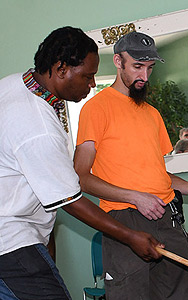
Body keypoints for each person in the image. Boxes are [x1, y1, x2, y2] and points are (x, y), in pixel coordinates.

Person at [0, 27, 163, 300]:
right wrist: (131, 236)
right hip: (10, 241)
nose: (91, 84)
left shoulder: (13, 84)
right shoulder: (38, 128)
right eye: (88, 76)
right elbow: (71, 200)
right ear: (61, 69)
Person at [74, 31, 188, 300]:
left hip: (168, 218)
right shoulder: (96, 109)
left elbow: (157, 175)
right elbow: (81, 177)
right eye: (137, 66)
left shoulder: (152, 114)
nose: (144, 76)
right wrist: (135, 197)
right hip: (125, 220)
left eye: (150, 68)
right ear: (118, 61)